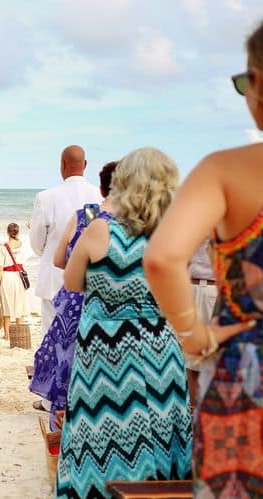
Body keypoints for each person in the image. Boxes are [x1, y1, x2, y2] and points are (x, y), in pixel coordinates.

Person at [144, 21, 263, 497]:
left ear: (259, 82)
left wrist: (196, 336)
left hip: (247, 378)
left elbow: (163, 258)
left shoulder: (226, 171)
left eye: (243, 84)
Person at [56, 148, 191, 498]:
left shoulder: (100, 230)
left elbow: (71, 282)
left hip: (107, 350)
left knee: (103, 433)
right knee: (163, 430)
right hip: (161, 348)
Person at [29, 161, 117, 426]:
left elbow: (41, 246)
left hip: (70, 293)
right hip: (112, 301)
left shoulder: (81, 213)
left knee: (59, 348)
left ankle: (53, 407)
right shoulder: (136, 222)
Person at [30, 145, 102, 335]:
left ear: (62, 164)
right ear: (85, 165)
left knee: (50, 334)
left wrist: (50, 252)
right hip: (87, 277)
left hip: (53, 276)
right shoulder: (97, 196)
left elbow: (37, 243)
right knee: (83, 336)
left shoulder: (46, 197)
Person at [185, 237, 217, 405]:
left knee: (201, 358)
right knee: (191, 359)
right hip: (196, 288)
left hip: (206, 288)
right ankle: (195, 414)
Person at [0, 223, 29, 340]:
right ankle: (19, 334)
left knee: (7, 306)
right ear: (17, 233)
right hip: (19, 277)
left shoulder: (2, 248)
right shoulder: (23, 246)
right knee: (20, 306)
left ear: (7, 232)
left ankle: (7, 335)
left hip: (7, 277)